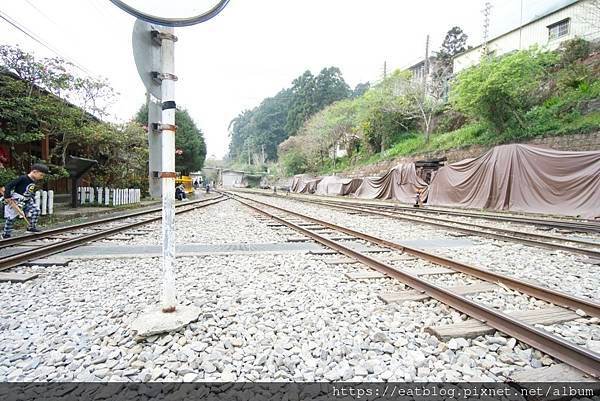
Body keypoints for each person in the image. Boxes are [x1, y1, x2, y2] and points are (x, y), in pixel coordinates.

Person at [2, 163, 48, 239]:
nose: (41, 177)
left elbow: (29, 190)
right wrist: (7, 196)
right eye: (41, 175)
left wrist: (32, 196)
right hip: (18, 199)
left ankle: (31, 227)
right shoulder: (23, 178)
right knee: (11, 217)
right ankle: (6, 234)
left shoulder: (34, 180)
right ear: (34, 172)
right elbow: (8, 186)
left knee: (36, 210)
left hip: (28, 199)